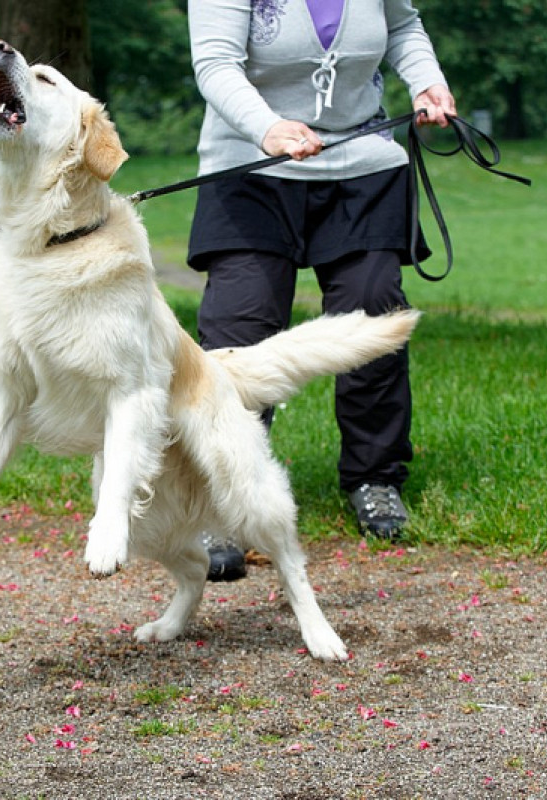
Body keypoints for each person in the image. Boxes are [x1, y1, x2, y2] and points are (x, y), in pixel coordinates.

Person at [187, 0, 456, 581]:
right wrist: (268, 127)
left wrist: (427, 83)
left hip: (360, 160)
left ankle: (374, 478)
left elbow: (404, 26)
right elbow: (214, 63)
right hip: (250, 165)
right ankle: (223, 502)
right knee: (240, 328)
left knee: (373, 311)